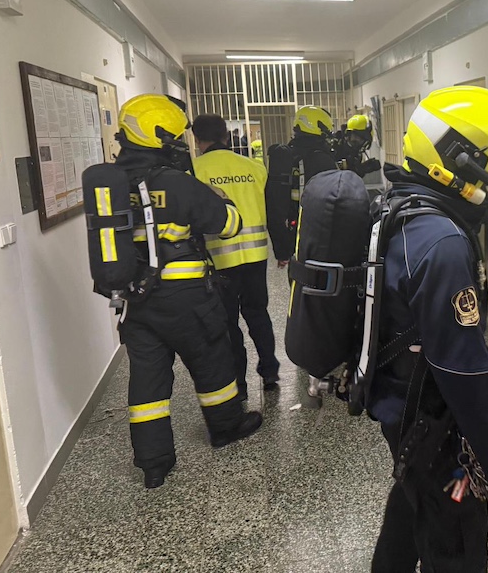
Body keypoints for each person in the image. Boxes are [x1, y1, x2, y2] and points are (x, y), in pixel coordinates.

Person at [369, 86, 488, 573]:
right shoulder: (442, 242)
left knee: (413, 493)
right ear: (457, 162)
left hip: (400, 403)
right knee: (455, 536)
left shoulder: (403, 207)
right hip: (435, 421)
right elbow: (463, 371)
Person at [111, 95, 263, 488]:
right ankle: (226, 427)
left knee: (147, 379)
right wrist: (223, 201)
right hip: (186, 296)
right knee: (211, 358)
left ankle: (153, 463)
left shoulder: (111, 185)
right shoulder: (177, 183)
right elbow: (228, 225)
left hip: (136, 299)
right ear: (163, 136)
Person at [191, 114, 280, 400]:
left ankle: (238, 384)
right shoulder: (254, 167)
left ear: (197, 139)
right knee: (258, 313)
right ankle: (270, 371)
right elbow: (271, 209)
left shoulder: (193, 171)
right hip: (256, 255)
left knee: (228, 322)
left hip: (220, 260)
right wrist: (282, 250)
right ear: (226, 136)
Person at [265, 106, 337, 272]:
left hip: (293, 236)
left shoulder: (288, 156)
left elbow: (274, 208)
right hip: (322, 235)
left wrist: (282, 250)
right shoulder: (323, 160)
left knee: (298, 280)